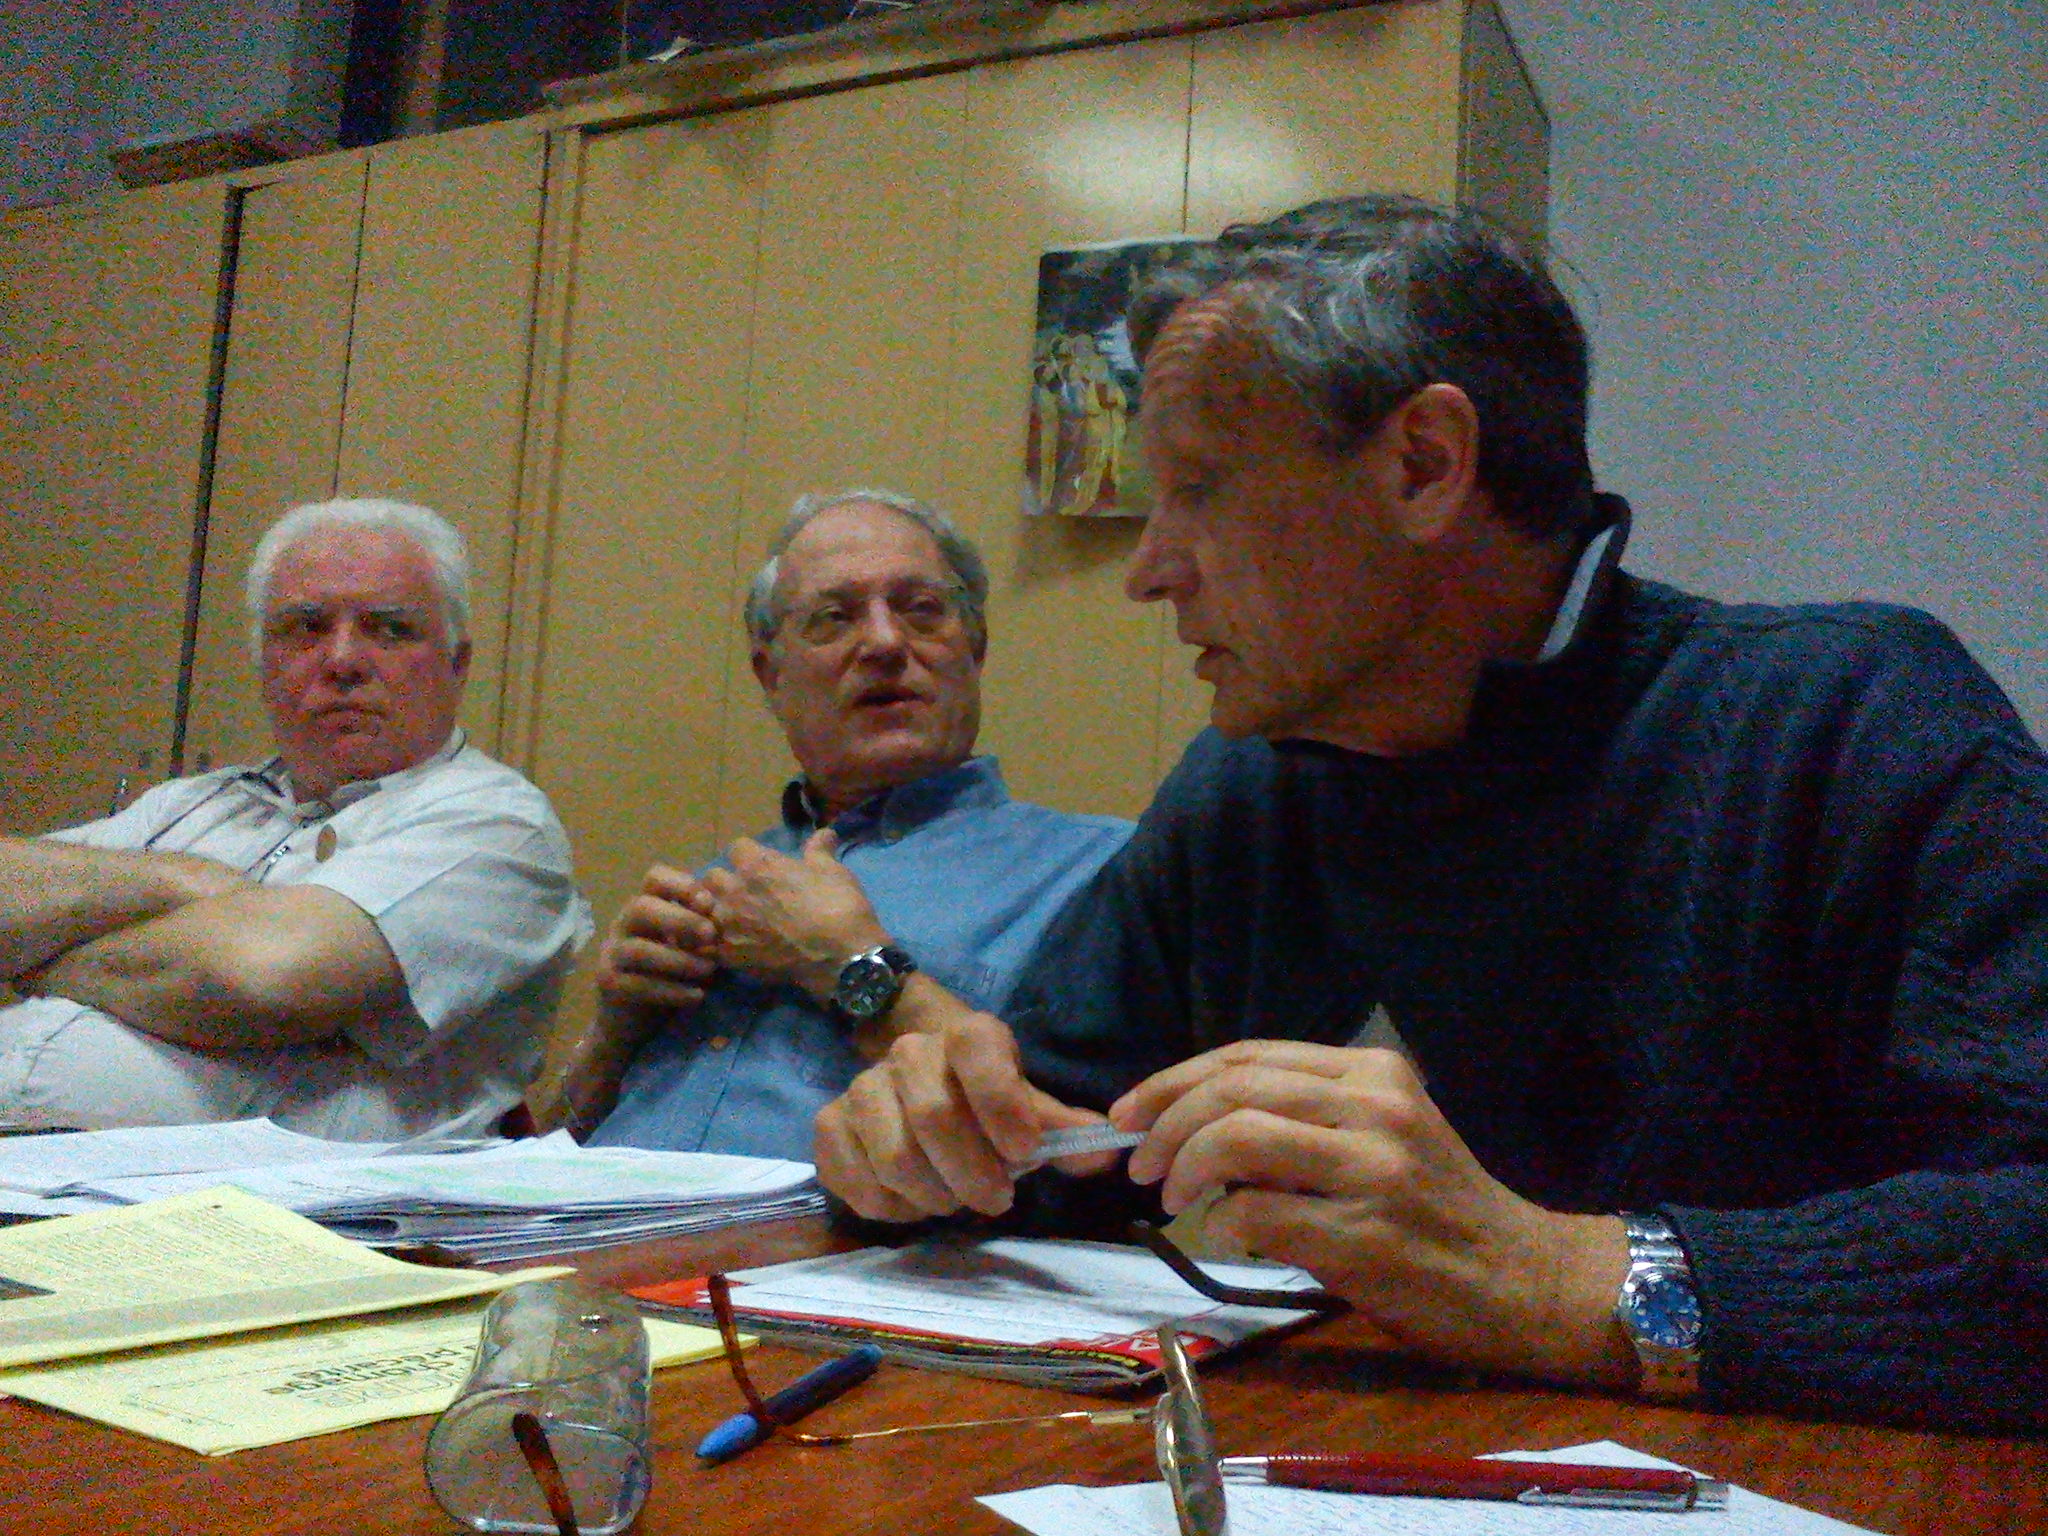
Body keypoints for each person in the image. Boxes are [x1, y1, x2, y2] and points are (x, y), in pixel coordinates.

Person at [809, 196, 2048, 1433]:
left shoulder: (1848, 726)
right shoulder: (1240, 791)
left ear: (1421, 466)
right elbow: (1059, 1147)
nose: (1147, 568)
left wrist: (1556, 1280)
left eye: (1196, 488)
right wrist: (919, 1151)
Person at [528, 489, 1131, 1159]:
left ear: (975, 647)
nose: (885, 642)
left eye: (921, 609)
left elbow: (1087, 1154)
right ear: (771, 675)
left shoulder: (1104, 873)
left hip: (830, 1228)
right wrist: (613, 1037)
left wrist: (851, 961)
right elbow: (545, 1160)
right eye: (834, 618)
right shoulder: (721, 887)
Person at [0, 497, 591, 1141]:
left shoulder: (498, 824)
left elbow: (264, 979)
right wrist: (178, 880)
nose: (342, 661)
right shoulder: (192, 804)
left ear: (457, 665)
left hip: (233, 1200)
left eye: (390, 630)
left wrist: (35, 956)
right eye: (306, 627)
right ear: (263, 662)